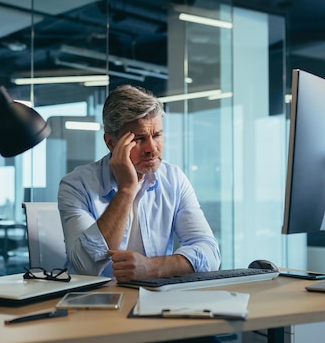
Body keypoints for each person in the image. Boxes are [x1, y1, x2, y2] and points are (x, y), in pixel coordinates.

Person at [57, 85, 221, 281]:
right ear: (111, 143)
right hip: (95, 302)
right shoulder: (76, 185)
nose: (152, 148)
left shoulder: (174, 179)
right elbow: (85, 267)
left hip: (156, 301)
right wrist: (126, 189)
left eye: (157, 135)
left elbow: (210, 254)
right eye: (140, 139)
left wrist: (151, 268)